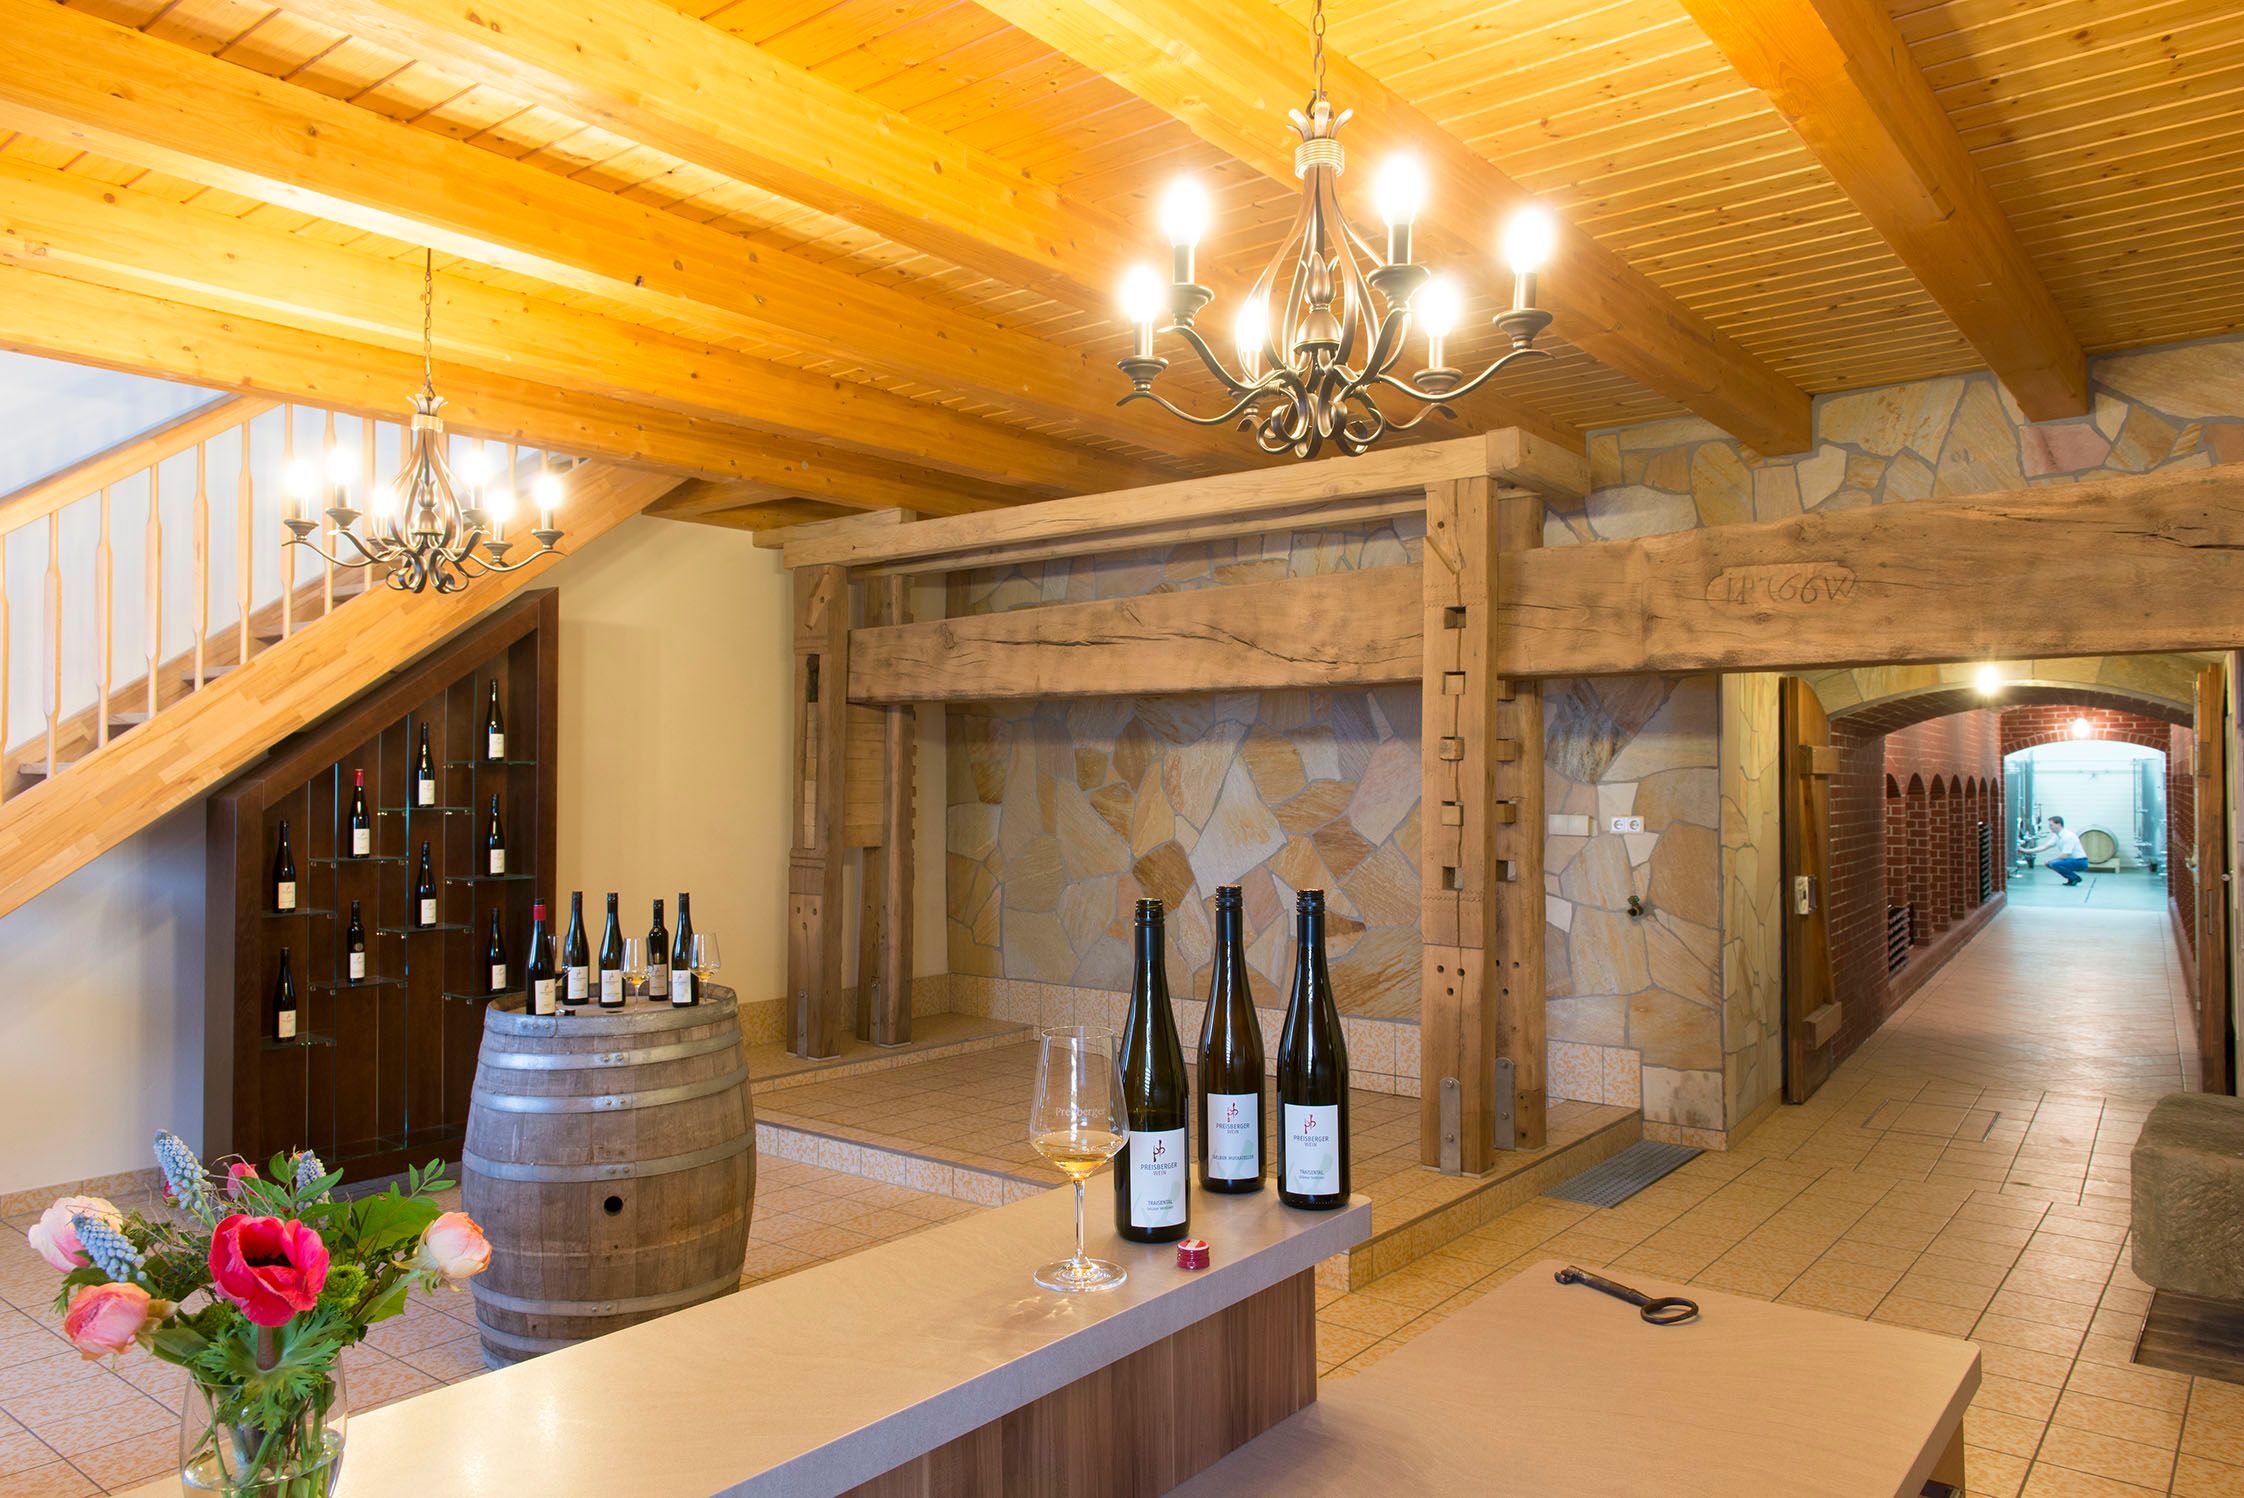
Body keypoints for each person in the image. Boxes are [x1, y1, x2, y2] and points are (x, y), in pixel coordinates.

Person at [2023, 814, 2090, 886]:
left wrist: (2050, 860)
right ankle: (2071, 878)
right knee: (2051, 863)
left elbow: (2065, 855)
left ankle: (2074, 878)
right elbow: (2044, 846)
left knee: (2053, 863)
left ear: (2058, 825)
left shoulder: (2068, 836)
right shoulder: (2057, 836)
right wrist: (2025, 850)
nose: (2049, 827)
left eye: (2051, 825)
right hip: (2072, 860)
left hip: (2080, 862)